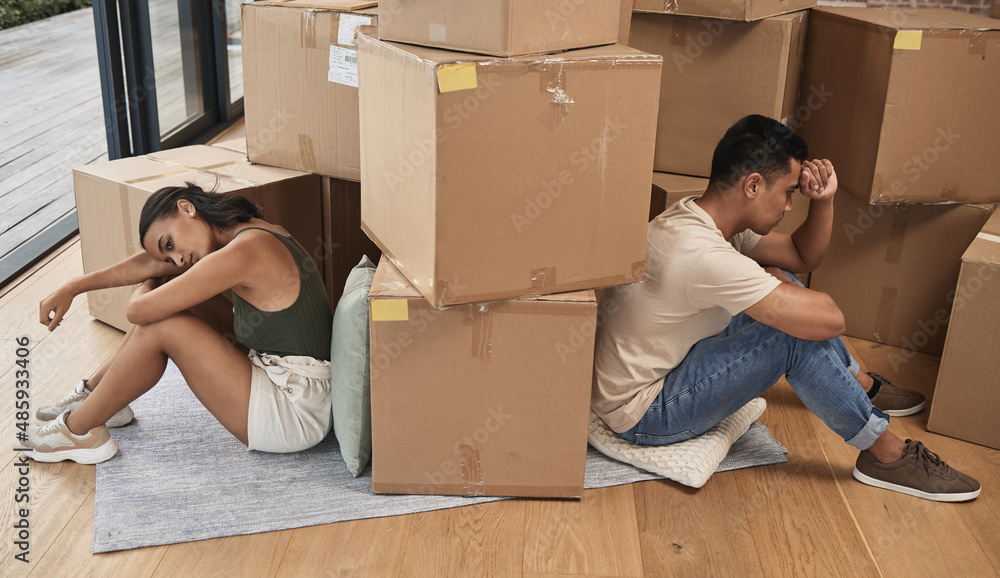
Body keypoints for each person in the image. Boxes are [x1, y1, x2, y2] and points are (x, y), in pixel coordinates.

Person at [592, 115, 981, 502]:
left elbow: (801, 255)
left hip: (664, 365)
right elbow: (832, 320)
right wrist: (776, 288)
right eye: (789, 192)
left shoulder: (699, 218)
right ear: (753, 185)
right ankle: (885, 454)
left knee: (780, 282)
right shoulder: (700, 254)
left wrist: (824, 201)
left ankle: (861, 387)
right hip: (646, 412)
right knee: (789, 333)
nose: (791, 205)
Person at [26, 184, 333, 464]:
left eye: (170, 243)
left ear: (187, 208)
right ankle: (99, 396)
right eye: (169, 254)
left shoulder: (245, 250)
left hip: (296, 414)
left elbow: (138, 311)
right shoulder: (246, 233)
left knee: (160, 323)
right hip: (288, 377)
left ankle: (79, 431)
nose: (178, 259)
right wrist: (75, 286)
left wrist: (150, 285)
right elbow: (150, 263)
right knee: (170, 300)